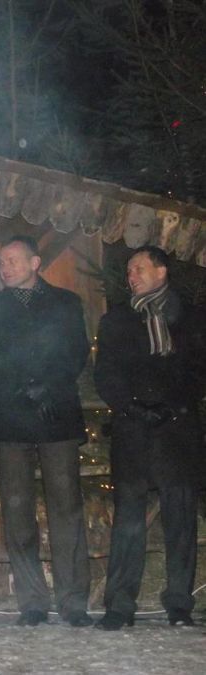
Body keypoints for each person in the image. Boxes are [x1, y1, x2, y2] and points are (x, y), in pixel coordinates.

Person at [0, 235, 92, 627]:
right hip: (11, 417)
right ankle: (33, 602)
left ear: (35, 262)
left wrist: (48, 386)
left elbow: (75, 352)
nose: (4, 268)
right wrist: (24, 386)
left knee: (66, 508)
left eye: (12, 260)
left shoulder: (66, 303)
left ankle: (73, 601)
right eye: (1, 262)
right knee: (18, 510)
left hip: (56, 414)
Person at [93, 245, 206, 630]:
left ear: (161, 272)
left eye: (139, 268)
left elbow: (200, 370)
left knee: (180, 518)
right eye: (128, 271)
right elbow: (106, 374)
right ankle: (120, 606)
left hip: (177, 430)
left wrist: (172, 405)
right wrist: (133, 407)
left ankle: (179, 604)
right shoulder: (116, 321)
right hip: (133, 429)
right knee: (129, 519)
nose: (131, 276)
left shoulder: (192, 318)